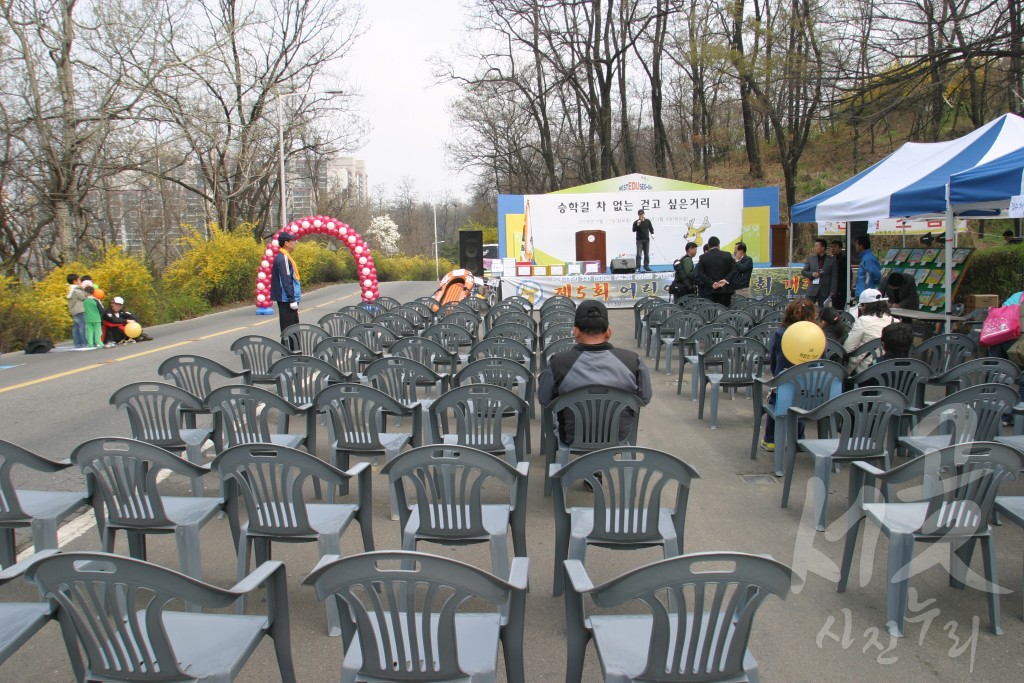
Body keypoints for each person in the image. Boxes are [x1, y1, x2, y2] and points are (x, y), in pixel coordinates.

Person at [538, 299, 652, 447]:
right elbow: (644, 398)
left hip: (572, 437)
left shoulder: (557, 363)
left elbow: (544, 399)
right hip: (619, 437)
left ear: (576, 332)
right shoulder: (633, 361)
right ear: (609, 332)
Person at [760, 298, 819, 453]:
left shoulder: (780, 335)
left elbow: (773, 362)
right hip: (814, 395)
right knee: (802, 390)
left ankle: (771, 440)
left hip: (784, 392)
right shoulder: (819, 336)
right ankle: (799, 437)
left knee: (780, 391)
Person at [843, 288, 893, 373]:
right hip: (888, 368)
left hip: (865, 369)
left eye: (861, 305)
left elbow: (847, 348)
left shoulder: (863, 320)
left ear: (866, 305)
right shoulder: (894, 321)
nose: (860, 308)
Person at [270, 231, 301, 340]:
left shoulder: (285, 256)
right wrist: (291, 299)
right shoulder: (283, 258)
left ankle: (291, 348)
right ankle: (291, 349)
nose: (295, 243)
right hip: (286, 298)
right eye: (293, 241)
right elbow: (286, 279)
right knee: (289, 324)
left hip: (287, 297)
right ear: (286, 243)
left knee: (291, 323)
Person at [695, 236, 737, 306]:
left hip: (709, 290)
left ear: (708, 246)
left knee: (710, 313)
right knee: (725, 312)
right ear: (718, 244)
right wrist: (725, 280)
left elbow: (701, 273)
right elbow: (734, 269)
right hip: (725, 290)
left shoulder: (703, 257)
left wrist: (711, 283)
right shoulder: (727, 255)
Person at [802, 238, 837, 307]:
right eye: (814, 246)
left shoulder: (831, 260)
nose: (815, 248)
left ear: (823, 248)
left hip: (825, 290)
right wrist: (812, 274)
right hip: (812, 289)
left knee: (823, 310)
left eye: (816, 246)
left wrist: (833, 290)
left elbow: (834, 276)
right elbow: (804, 272)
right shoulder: (811, 259)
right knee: (806, 308)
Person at [66, 273, 87, 349]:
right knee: (82, 327)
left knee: (76, 327)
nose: (80, 281)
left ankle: (77, 343)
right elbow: (83, 297)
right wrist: (83, 289)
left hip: (73, 310)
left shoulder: (69, 289)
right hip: (80, 309)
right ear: (75, 281)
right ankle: (84, 343)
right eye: (79, 280)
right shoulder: (76, 289)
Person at [830, 239, 848, 307]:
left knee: (839, 306)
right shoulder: (832, 258)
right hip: (834, 287)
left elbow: (848, 273)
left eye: (835, 247)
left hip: (841, 288)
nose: (832, 249)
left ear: (840, 248)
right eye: (831, 247)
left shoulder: (843, 259)